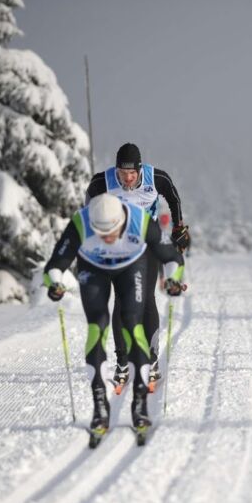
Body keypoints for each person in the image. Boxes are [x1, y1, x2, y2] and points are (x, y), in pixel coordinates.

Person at [43, 194, 186, 436]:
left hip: (131, 267)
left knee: (132, 321)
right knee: (97, 325)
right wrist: (54, 284)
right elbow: (55, 265)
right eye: (100, 232)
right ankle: (100, 404)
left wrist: (173, 279)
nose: (106, 237)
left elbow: (172, 257)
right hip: (93, 267)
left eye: (111, 231)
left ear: (121, 221)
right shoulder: (81, 221)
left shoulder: (139, 220)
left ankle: (139, 402)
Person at [85, 143, 191, 388]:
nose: (128, 178)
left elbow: (173, 196)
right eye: (123, 174)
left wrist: (178, 227)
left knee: (146, 300)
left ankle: (151, 361)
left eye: (132, 174)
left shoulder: (155, 178)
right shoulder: (104, 181)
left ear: (139, 169)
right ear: (117, 170)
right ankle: (123, 362)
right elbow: (89, 200)